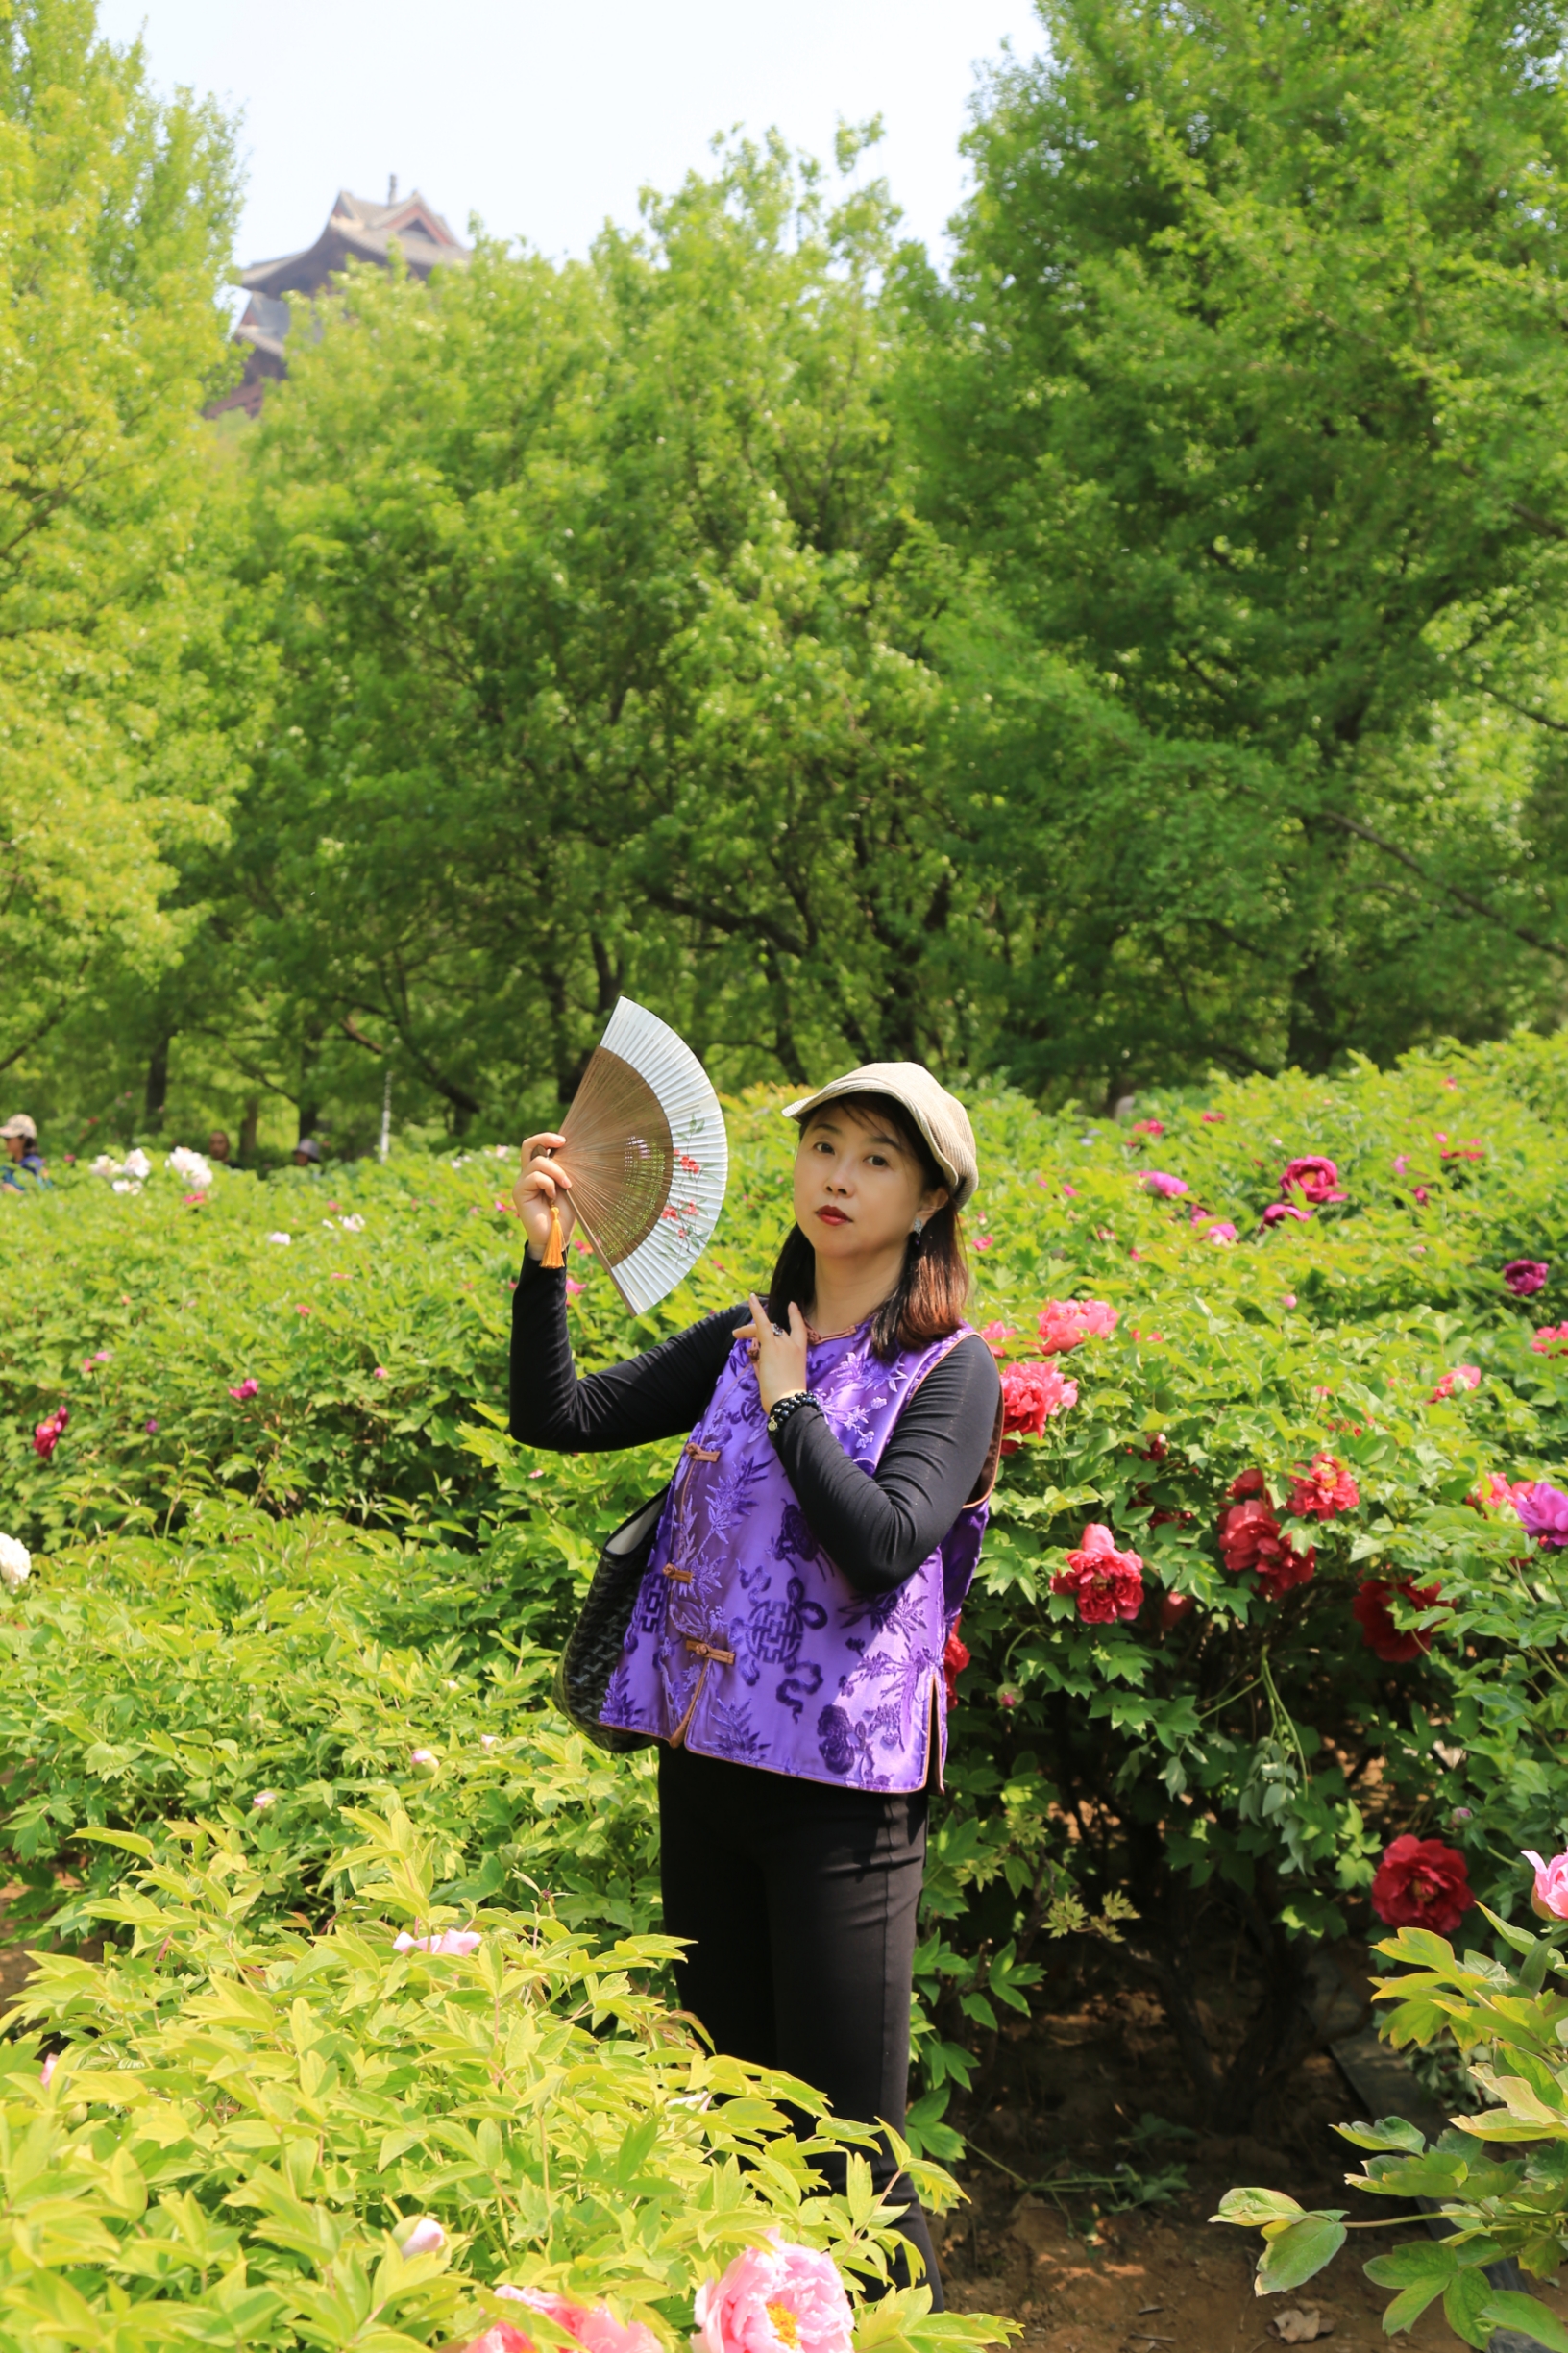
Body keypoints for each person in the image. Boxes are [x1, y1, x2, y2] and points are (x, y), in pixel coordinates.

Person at [509, 1063, 1002, 2301]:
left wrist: (793, 1410)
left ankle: (899, 2334)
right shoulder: (748, 1334)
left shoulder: (950, 1369)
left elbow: (885, 1544)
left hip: (842, 1798)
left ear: (932, 1195)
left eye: (877, 1157)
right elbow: (557, 1413)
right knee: (738, 2126)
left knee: (851, 2156)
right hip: (707, 1766)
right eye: (823, 1145)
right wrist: (546, 1257)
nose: (838, 1174)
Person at [0, 1114, 47, 1190]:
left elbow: (44, 1194)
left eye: (8, 1138)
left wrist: (17, 1193)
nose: (6, 1141)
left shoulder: (34, 1166)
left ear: (23, 1139)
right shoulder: (7, 1167)